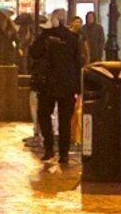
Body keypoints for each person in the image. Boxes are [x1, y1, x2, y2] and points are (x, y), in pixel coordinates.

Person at [28, 10, 85, 166]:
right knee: (65, 119)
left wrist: (45, 33)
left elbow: (33, 52)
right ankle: (64, 154)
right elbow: (78, 63)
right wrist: (79, 88)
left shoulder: (46, 35)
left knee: (44, 115)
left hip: (48, 84)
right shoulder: (73, 38)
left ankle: (49, 149)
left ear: (53, 20)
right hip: (66, 85)